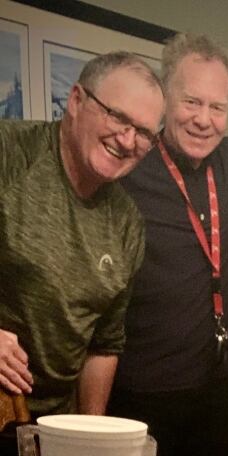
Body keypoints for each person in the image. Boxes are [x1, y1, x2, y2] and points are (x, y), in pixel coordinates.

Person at [109, 33, 228, 456]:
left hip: (217, 385)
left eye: (217, 107)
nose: (203, 119)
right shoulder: (127, 168)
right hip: (142, 391)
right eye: (190, 101)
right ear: (164, 97)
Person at [0, 52, 164, 417]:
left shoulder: (127, 223)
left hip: (50, 425)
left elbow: (104, 344)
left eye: (144, 133)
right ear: (76, 100)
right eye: (118, 116)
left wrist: (91, 435)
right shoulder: (10, 154)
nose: (126, 140)